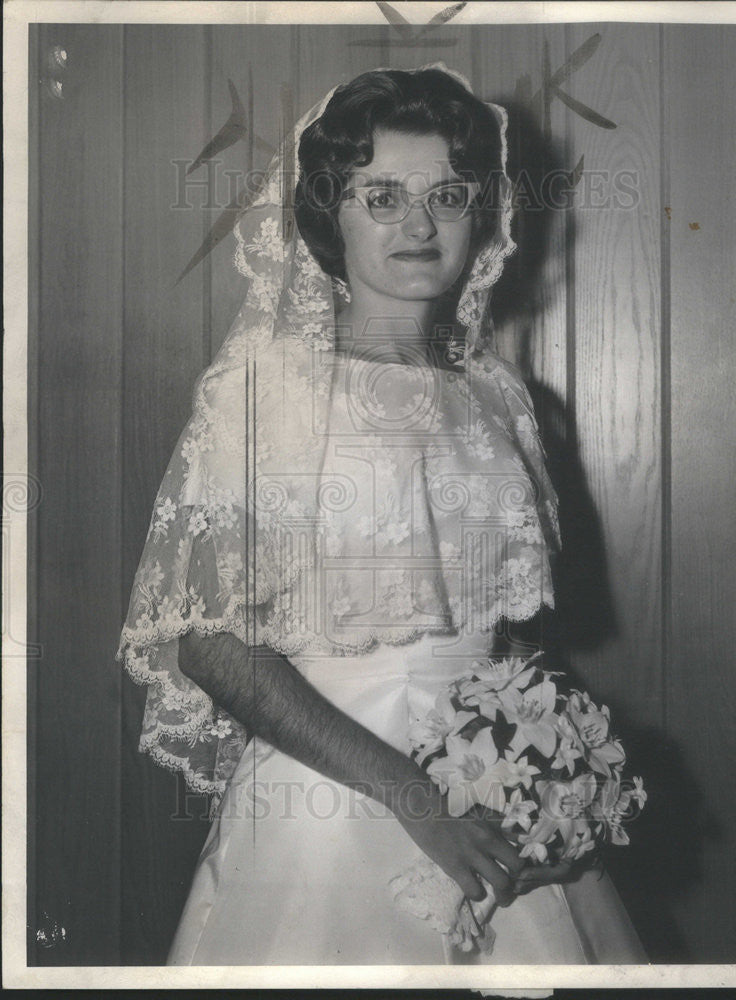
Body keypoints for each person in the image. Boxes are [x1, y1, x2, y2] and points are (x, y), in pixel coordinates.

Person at [117, 65, 646, 968]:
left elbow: (498, 635)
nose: (418, 224)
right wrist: (420, 805)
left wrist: (542, 772)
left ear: (481, 214)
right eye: (382, 196)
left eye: (446, 194)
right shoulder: (268, 394)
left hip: (488, 804)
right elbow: (208, 642)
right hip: (328, 818)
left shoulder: (498, 396)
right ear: (331, 215)